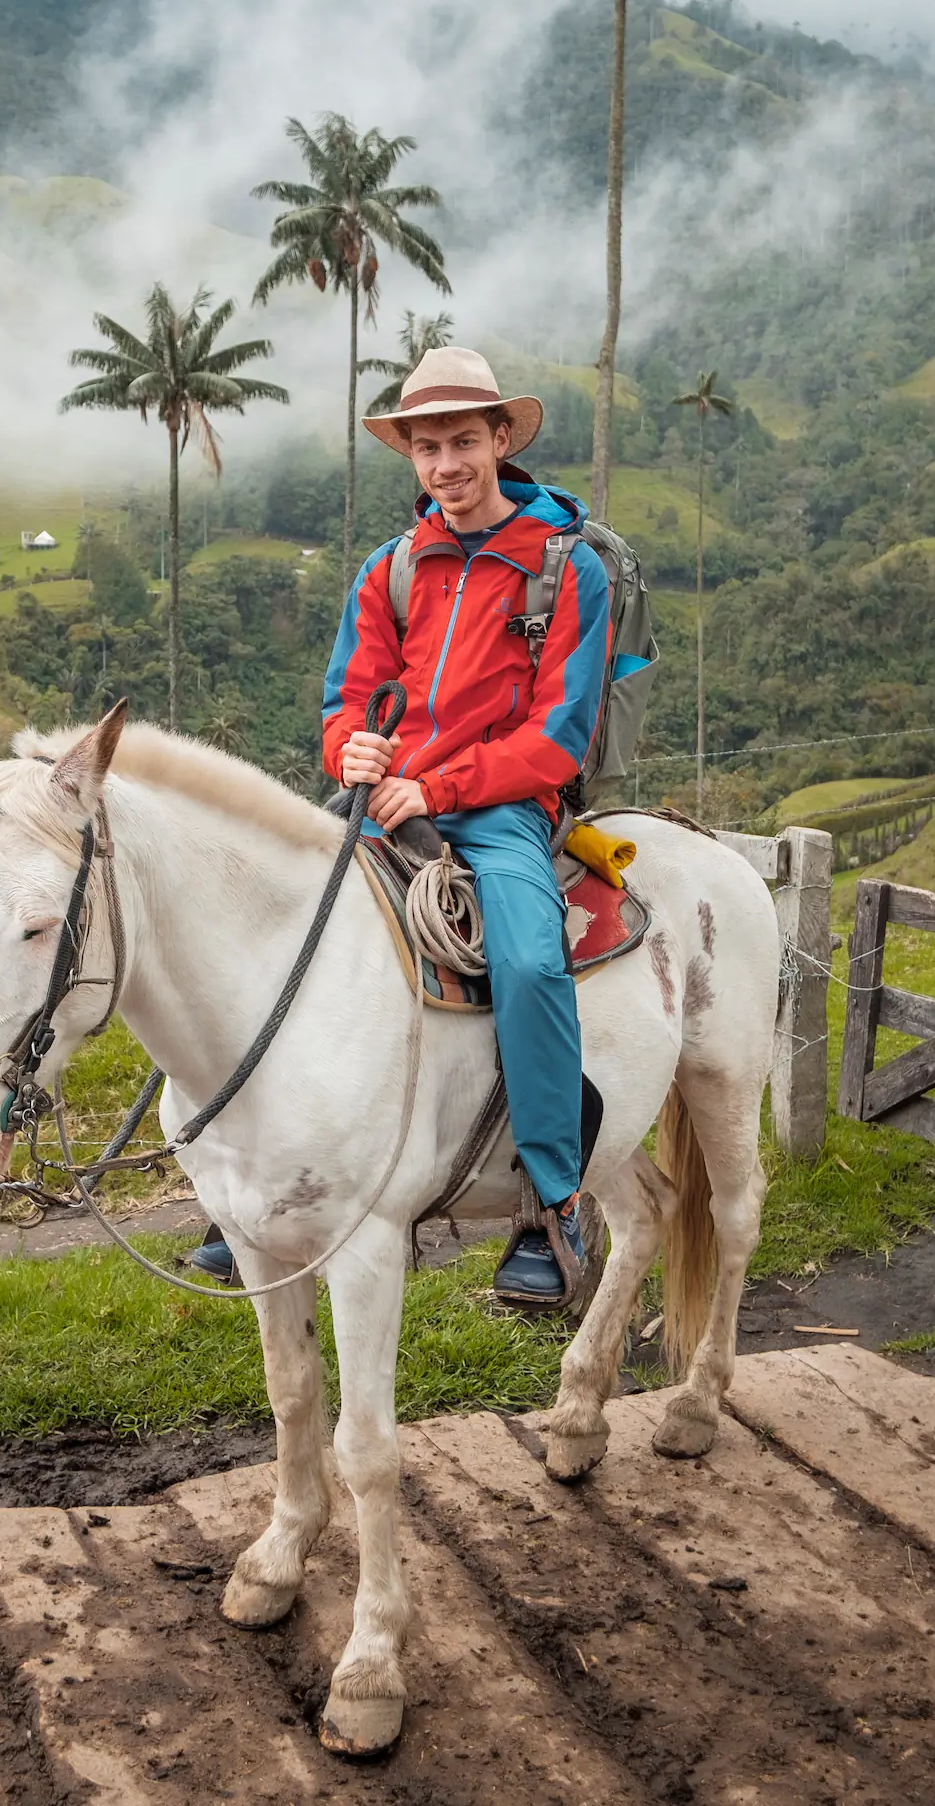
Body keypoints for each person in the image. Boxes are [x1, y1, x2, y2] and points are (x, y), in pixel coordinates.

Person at [322, 344, 609, 1304]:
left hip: (498, 809)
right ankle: (280, 1183)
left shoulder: (566, 568)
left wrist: (436, 792)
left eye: (462, 442)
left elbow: (558, 738)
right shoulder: (391, 570)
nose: (446, 464)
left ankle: (555, 1199)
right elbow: (350, 702)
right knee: (281, 928)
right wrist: (351, 753)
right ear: (411, 456)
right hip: (386, 800)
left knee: (529, 961)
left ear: (499, 440)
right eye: (427, 447)